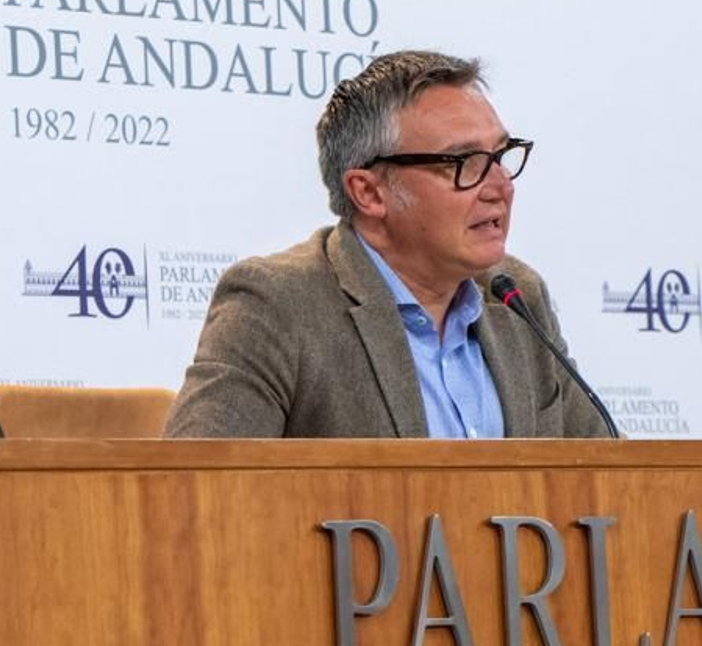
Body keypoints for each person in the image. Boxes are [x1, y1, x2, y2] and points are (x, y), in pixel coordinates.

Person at [163, 50, 613, 439]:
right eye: (465, 162)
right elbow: (195, 494)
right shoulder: (277, 305)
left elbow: (607, 475)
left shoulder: (515, 295)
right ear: (370, 192)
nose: (499, 186)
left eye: (500, 156)